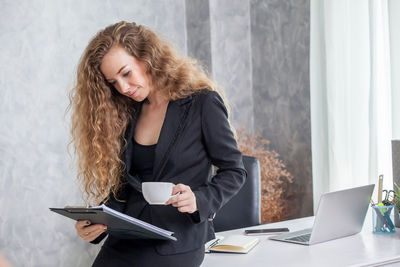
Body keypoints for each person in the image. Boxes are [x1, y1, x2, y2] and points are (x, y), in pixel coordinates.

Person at [69, 21, 246, 267]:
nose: (122, 87)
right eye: (113, 82)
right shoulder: (128, 112)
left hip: (175, 240)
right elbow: (127, 186)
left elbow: (234, 171)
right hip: (126, 238)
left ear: (148, 58)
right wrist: (99, 221)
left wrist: (199, 199)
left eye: (126, 73)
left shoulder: (202, 103)